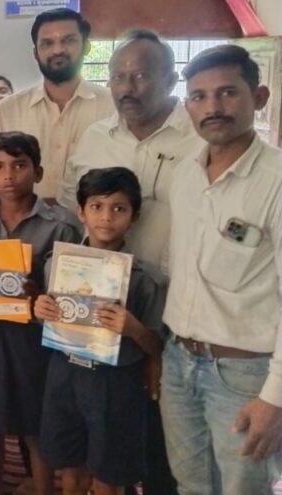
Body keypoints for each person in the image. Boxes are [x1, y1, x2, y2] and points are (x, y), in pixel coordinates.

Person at [161, 44, 282, 495]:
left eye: (227, 92)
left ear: (259, 97)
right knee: (189, 484)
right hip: (179, 360)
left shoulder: (276, 181)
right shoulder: (185, 176)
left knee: (243, 489)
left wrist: (274, 397)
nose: (212, 107)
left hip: (245, 374)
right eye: (199, 96)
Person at [34, 167, 168, 495]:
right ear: (81, 212)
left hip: (115, 383)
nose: (106, 217)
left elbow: (156, 345)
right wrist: (40, 311)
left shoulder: (145, 280)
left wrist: (133, 329)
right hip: (65, 375)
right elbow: (52, 320)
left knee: (109, 476)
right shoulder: (57, 264)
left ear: (134, 217)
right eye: (96, 206)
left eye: (119, 208)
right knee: (70, 470)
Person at [0, 132, 81, 495]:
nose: (9, 175)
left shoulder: (60, 225)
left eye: (19, 165)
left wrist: (39, 292)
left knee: (34, 424)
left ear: (38, 171)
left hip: (32, 339)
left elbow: (74, 289)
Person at [59, 29, 202, 272]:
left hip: (174, 285)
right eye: (117, 77)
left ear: (170, 81)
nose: (127, 89)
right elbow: (70, 208)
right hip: (98, 284)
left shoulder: (199, 142)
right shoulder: (96, 138)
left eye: (140, 75)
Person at [0, 8, 114, 200]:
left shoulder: (112, 105)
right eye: (47, 43)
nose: (58, 50)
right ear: (36, 53)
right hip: (28, 219)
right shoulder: (10, 109)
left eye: (68, 40)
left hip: (95, 218)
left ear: (86, 47)